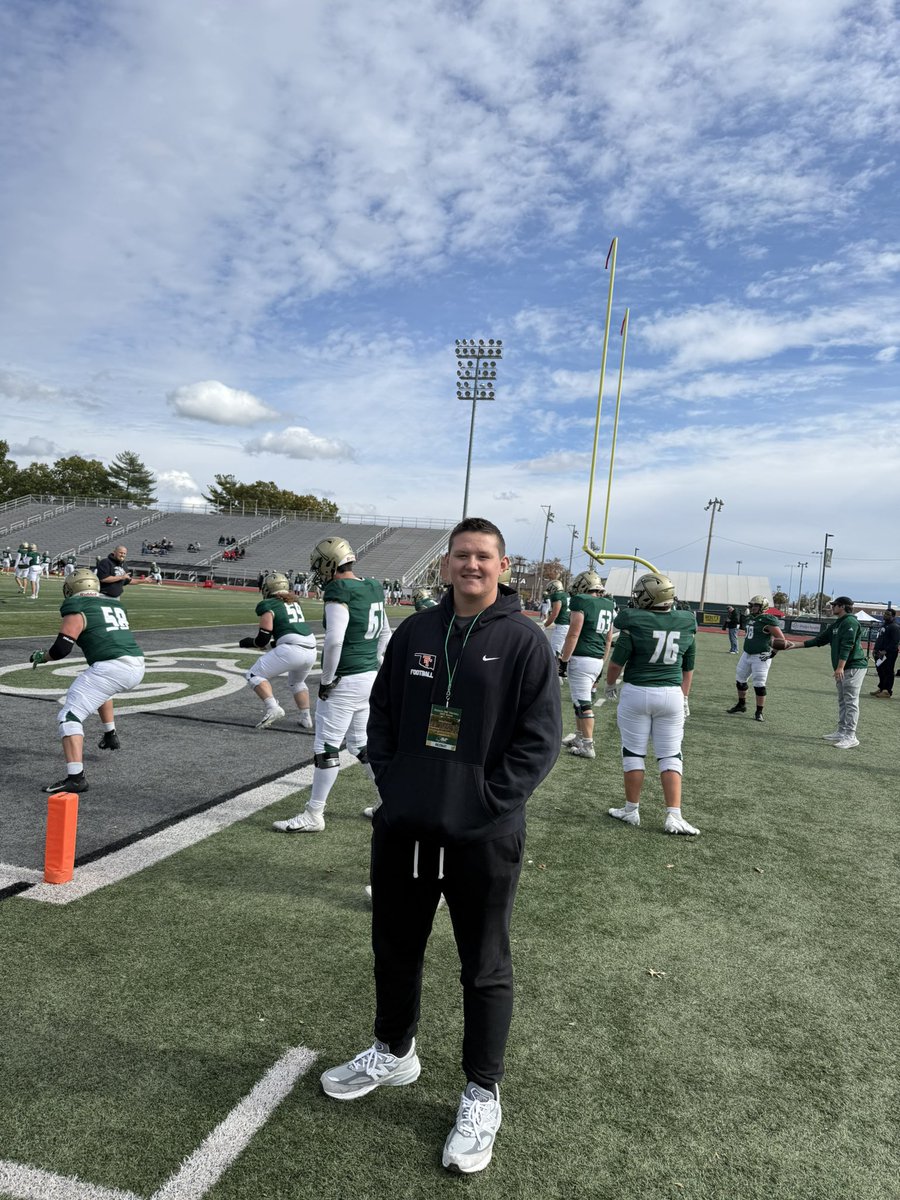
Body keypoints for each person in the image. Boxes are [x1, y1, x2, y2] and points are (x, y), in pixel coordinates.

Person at [319, 517, 561, 1175]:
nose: (471, 566)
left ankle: (482, 1090)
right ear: (446, 565)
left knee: (484, 966)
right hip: (406, 828)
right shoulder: (418, 631)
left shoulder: (525, 642)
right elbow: (387, 713)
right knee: (394, 949)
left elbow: (540, 743)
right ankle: (394, 1052)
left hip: (483, 837)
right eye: (461, 556)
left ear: (503, 566)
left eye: (483, 556)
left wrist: (483, 803)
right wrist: (396, 786)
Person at [273, 537, 390, 832]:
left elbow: (335, 640)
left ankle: (314, 814)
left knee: (326, 747)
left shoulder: (339, 589)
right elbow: (386, 633)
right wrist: (374, 663)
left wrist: (326, 681)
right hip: (369, 676)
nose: (317, 572)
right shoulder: (373, 586)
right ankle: (389, 802)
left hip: (346, 678)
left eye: (318, 565)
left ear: (329, 563)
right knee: (361, 744)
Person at [30, 568, 145, 794]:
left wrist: (42, 656)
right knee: (100, 688)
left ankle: (76, 778)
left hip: (113, 667)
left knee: (69, 716)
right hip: (137, 665)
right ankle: (110, 733)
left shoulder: (76, 606)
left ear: (73, 588)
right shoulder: (114, 604)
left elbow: (62, 649)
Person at [605, 572, 699, 835]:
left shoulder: (634, 621)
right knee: (671, 754)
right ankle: (674, 815)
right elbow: (688, 667)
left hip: (637, 692)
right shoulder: (686, 622)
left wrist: (610, 685)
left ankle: (631, 810)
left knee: (634, 753)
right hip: (671, 694)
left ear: (648, 596)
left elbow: (616, 662)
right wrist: (685, 697)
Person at [781, 596, 868, 748]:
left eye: (834, 605)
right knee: (843, 701)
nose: (832, 607)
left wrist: (840, 667)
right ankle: (842, 731)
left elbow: (848, 645)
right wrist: (793, 645)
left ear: (842, 607)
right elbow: (819, 640)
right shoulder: (838, 623)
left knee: (851, 702)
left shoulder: (850, 622)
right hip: (844, 667)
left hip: (853, 666)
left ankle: (851, 736)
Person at [239, 572, 316, 730]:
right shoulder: (294, 602)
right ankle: (306, 718)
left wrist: (250, 642)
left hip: (293, 649)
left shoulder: (269, 605)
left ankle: (273, 707)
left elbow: (263, 639)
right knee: (297, 682)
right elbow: (287, 635)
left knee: (254, 675)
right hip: (311, 649)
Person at [559, 571, 615, 759]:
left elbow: (574, 633)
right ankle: (580, 736)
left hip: (582, 658)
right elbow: (608, 639)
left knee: (583, 703)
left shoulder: (581, 601)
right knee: (578, 700)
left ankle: (588, 745)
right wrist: (602, 661)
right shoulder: (608, 603)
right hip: (597, 658)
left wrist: (563, 661)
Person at [726, 595, 786, 722]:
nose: (752, 607)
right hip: (746, 653)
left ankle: (759, 711)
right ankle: (741, 705)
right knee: (740, 680)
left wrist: (773, 653)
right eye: (752, 605)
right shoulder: (752, 618)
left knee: (759, 684)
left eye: (756, 605)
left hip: (761, 656)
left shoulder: (767, 620)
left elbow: (781, 640)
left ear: (763, 607)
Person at [871, 609, 900, 698]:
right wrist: (875, 650)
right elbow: (880, 639)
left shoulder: (895, 627)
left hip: (889, 653)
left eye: (888, 614)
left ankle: (887, 691)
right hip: (879, 653)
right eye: (885, 614)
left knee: (888, 671)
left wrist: (885, 651)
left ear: (893, 616)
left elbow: (895, 642)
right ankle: (881, 688)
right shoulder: (884, 625)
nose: (885, 615)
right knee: (880, 670)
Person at [542, 579, 570, 669]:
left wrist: (545, 625)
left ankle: (556, 671)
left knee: (555, 650)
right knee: (562, 650)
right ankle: (562, 669)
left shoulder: (557, 596)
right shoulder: (566, 595)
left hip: (562, 626)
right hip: (568, 625)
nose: (550, 592)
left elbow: (554, 614)